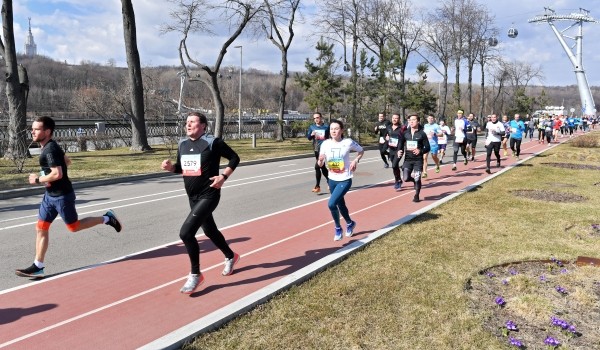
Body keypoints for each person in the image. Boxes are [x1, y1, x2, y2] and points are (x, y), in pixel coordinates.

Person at [16, 116, 122, 278]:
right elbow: (67, 161)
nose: (32, 131)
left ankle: (107, 218)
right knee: (41, 227)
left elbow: (57, 173)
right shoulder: (51, 147)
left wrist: (38, 179)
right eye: (33, 128)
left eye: (36, 129)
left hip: (62, 197)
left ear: (47, 131)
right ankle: (38, 266)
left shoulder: (50, 150)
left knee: (74, 227)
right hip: (49, 196)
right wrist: (49, 175)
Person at [161, 112, 241, 294]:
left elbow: (235, 158)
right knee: (209, 230)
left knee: (186, 233)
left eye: (193, 122)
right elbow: (182, 169)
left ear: (204, 126)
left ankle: (196, 275)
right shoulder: (182, 144)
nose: (188, 125)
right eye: (187, 122)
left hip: (209, 194)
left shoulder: (213, 142)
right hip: (192, 197)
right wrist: (171, 167)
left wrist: (223, 176)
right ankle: (231, 256)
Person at [318, 119, 364, 241]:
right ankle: (350, 223)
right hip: (332, 179)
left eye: (336, 128)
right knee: (340, 204)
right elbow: (320, 163)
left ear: (342, 130)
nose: (334, 131)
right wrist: (321, 160)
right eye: (332, 129)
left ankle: (338, 228)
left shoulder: (348, 142)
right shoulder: (325, 144)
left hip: (345, 179)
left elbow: (361, 151)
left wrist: (355, 160)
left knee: (331, 203)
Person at [400, 115, 430, 203]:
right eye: (410, 120)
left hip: (418, 160)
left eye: (413, 120)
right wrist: (399, 151)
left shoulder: (422, 134)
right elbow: (400, 144)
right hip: (408, 159)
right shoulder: (405, 133)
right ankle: (412, 180)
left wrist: (420, 150)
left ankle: (416, 195)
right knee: (405, 178)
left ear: (418, 121)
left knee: (418, 178)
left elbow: (427, 147)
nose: (411, 122)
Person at [306, 112, 329, 193]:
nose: (316, 119)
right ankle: (329, 182)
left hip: (324, 149)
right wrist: (311, 135)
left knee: (317, 166)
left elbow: (331, 136)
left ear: (321, 118)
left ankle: (317, 186)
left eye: (318, 117)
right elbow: (308, 138)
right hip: (316, 149)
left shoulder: (326, 127)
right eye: (315, 118)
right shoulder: (312, 127)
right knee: (322, 167)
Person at [385, 113, 406, 190]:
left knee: (394, 165)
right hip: (391, 150)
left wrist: (400, 149)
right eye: (393, 118)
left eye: (396, 118)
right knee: (395, 167)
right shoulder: (389, 127)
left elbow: (404, 139)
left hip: (399, 150)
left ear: (399, 119)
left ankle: (398, 180)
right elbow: (386, 136)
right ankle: (398, 180)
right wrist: (386, 139)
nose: (394, 119)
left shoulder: (402, 128)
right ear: (391, 118)